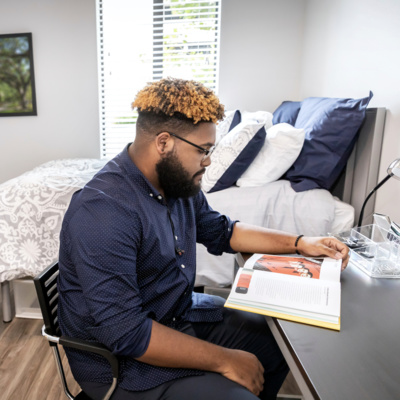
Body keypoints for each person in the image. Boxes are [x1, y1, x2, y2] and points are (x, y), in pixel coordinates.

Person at [57, 78, 349, 400]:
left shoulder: (175, 184)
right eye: (203, 151)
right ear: (164, 143)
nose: (208, 162)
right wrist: (227, 360)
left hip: (174, 315)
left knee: (278, 344)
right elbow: (128, 334)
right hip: (122, 366)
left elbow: (224, 231)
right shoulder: (103, 211)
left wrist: (301, 242)